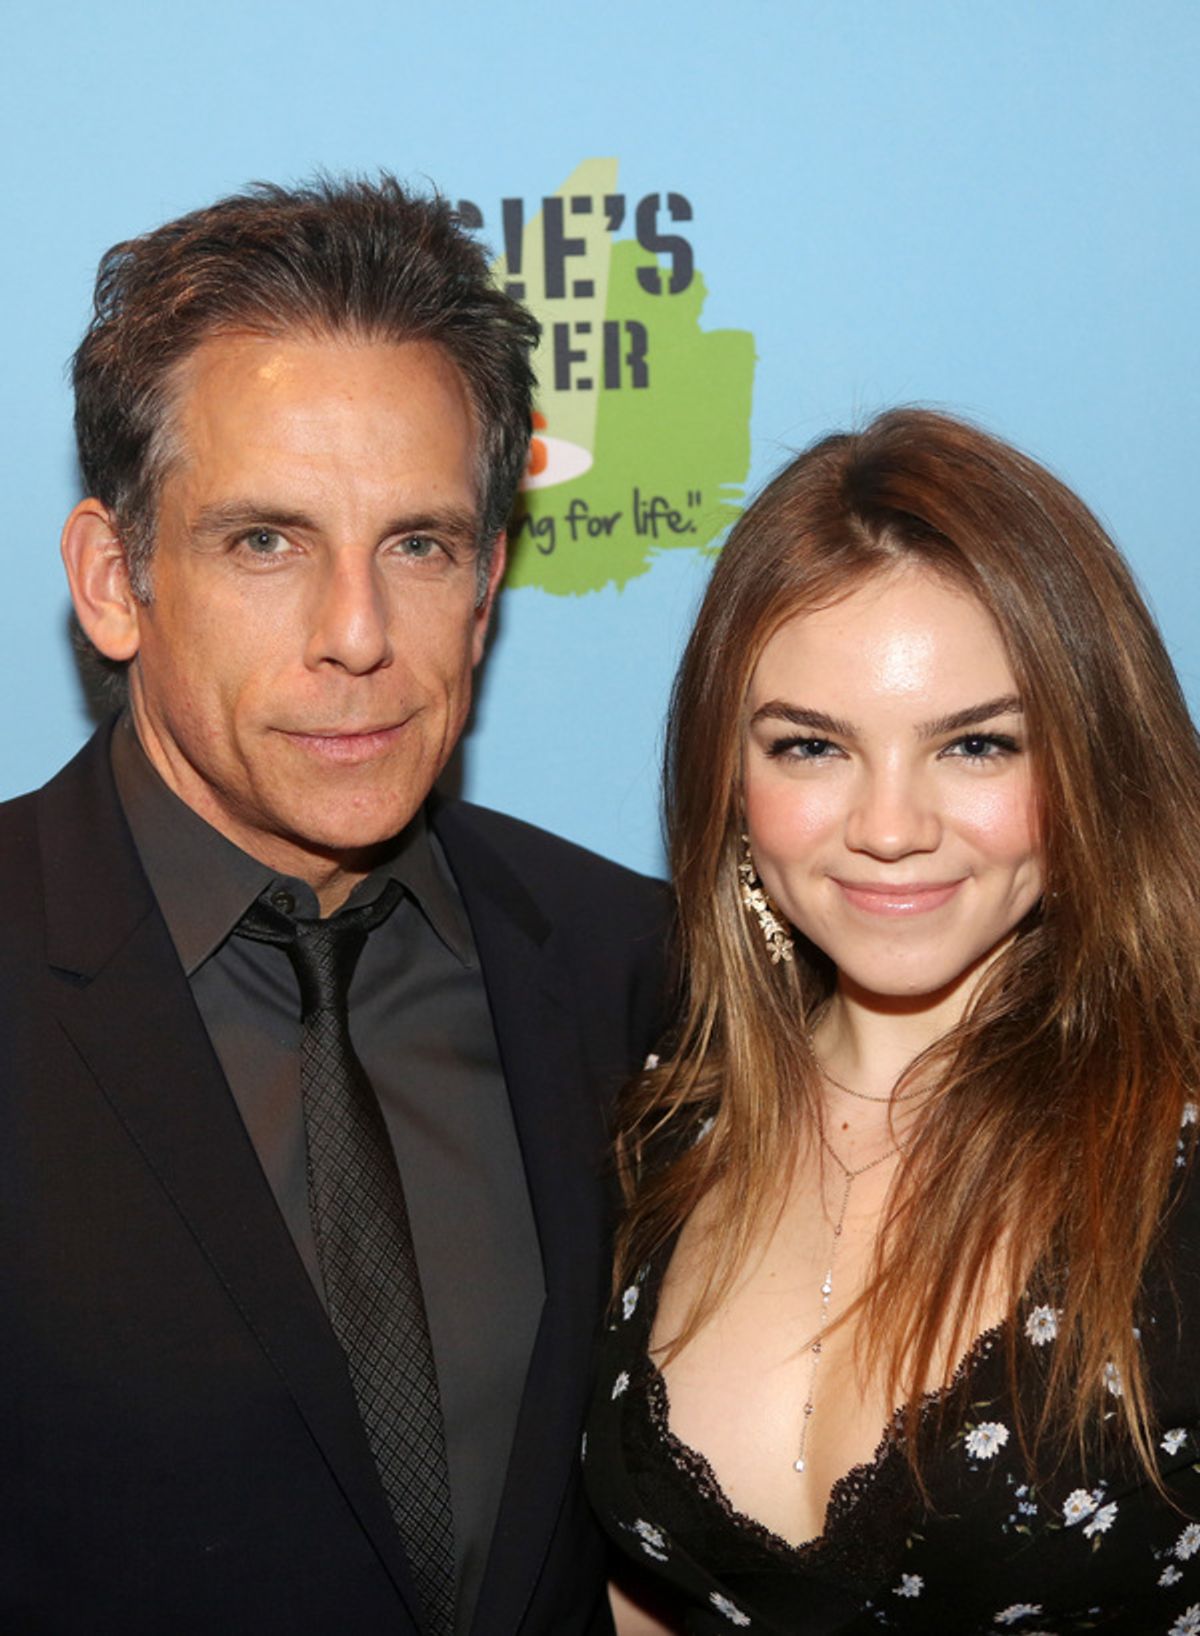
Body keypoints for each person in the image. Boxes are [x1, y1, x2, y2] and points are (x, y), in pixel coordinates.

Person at [0, 176, 666, 1636]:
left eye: (418, 545)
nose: (357, 636)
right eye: (266, 542)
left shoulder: (636, 969)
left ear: (488, 588)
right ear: (115, 581)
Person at [585, 408, 1200, 1634]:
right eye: (812, 745)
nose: (889, 825)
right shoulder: (662, 1118)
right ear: (729, 776)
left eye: (976, 743)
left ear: (1092, 757)